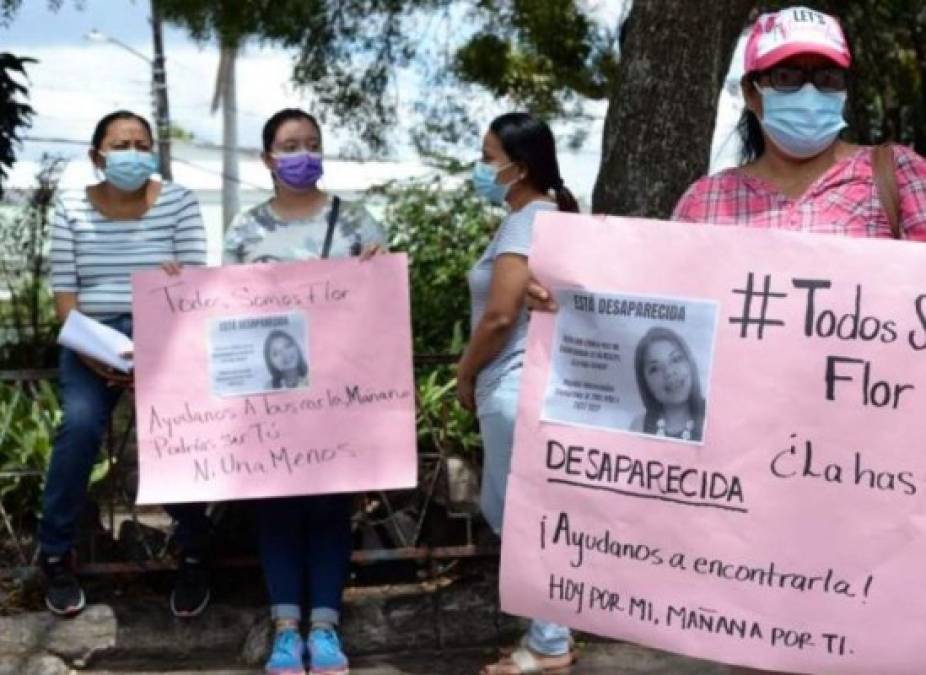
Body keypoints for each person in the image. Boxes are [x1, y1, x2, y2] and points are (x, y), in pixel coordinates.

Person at [224, 107, 385, 675]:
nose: (302, 153)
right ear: (268, 157)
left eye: (312, 142)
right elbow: (224, 310)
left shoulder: (358, 222)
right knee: (276, 508)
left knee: (329, 507)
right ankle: (285, 631)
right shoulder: (244, 230)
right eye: (290, 144)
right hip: (270, 394)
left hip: (339, 390)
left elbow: (381, 303)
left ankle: (325, 628)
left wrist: (379, 269)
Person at [43, 110, 213, 618]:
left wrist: (155, 351)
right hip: (91, 336)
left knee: (176, 431)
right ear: (98, 156)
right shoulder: (70, 206)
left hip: (165, 330)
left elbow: (195, 281)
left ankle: (195, 551)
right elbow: (64, 297)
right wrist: (97, 356)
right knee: (78, 425)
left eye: (142, 144)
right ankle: (54, 553)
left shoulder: (179, 202)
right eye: (121, 145)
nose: (133, 153)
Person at [456, 112, 580, 675]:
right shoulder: (539, 217)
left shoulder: (527, 220)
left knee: (517, 517)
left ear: (519, 166)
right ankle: (548, 632)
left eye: (488, 157)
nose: (481, 168)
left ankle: (550, 641)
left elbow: (501, 314)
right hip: (522, 388)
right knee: (512, 510)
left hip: (512, 386)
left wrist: (463, 372)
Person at [630, 327, 705, 442]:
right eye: (655, 369)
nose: (669, 372)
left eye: (676, 359)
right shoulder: (638, 427)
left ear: (690, 364)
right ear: (645, 381)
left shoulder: (715, 417)